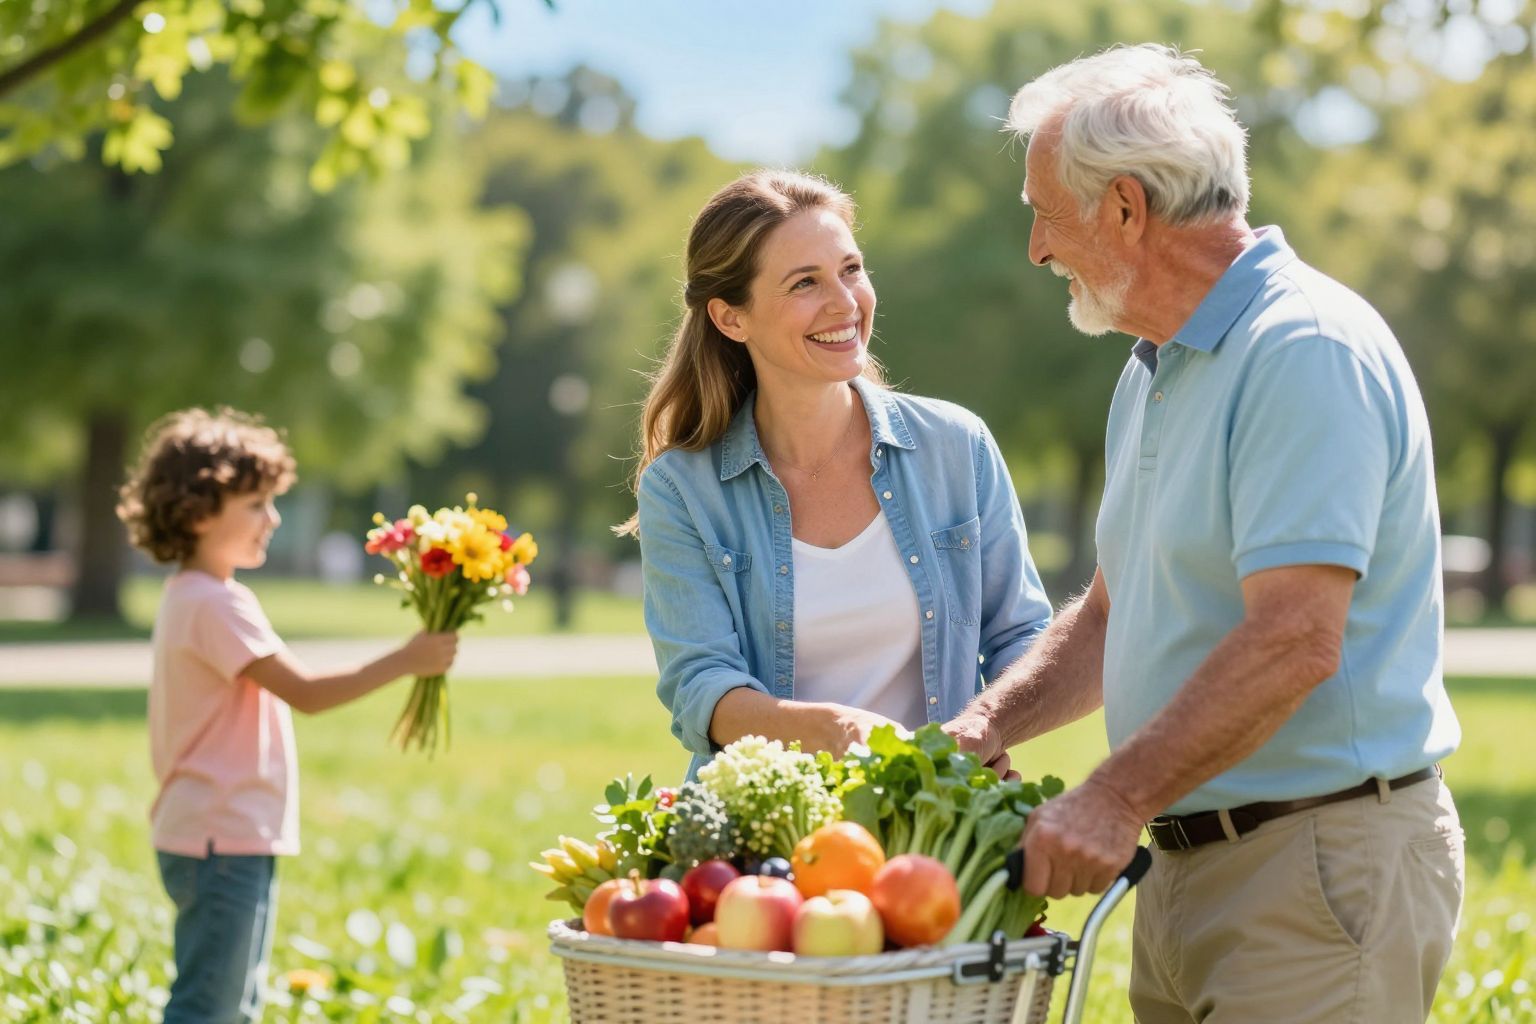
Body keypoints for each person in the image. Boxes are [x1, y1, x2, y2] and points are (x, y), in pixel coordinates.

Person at [944, 44, 1464, 1023]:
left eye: (1044, 214)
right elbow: (1112, 611)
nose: (1036, 249)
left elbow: (1294, 638)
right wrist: (987, 725)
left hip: (1313, 866)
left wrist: (1108, 798)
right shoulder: (1156, 365)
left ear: (1126, 208)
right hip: (1187, 866)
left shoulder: (1302, 348)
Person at [619, 169, 1052, 780]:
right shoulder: (683, 489)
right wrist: (834, 730)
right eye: (805, 283)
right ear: (729, 318)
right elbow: (701, 689)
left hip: (937, 826)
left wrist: (984, 729)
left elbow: (1024, 635)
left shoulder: (957, 447)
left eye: (851, 269)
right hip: (767, 835)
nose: (845, 303)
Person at [117, 408, 458, 1024]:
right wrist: (406, 659)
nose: (271, 519)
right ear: (197, 513)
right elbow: (305, 692)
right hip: (222, 835)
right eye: (255, 504)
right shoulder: (214, 603)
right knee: (209, 1007)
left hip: (220, 831)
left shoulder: (194, 595)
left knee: (234, 1000)